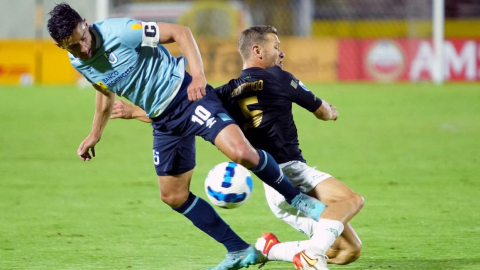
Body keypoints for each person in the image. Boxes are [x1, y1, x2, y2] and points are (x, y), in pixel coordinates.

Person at [47, 4, 327, 270]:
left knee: (241, 153)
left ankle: (298, 199)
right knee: (173, 195)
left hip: (187, 96)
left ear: (86, 24)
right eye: (72, 46)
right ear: (61, 46)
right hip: (163, 121)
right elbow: (104, 90)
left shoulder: (120, 31)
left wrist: (198, 77)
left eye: (82, 39)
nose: (82, 48)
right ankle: (239, 250)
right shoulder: (79, 61)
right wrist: (95, 133)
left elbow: (181, 32)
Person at [112, 25, 364, 270]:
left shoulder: (223, 94)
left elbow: (180, 112)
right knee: (351, 200)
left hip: (272, 188)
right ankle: (313, 253)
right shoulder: (279, 77)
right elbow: (322, 112)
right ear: (258, 51)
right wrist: (332, 112)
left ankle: (269, 249)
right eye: (276, 46)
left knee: (348, 251)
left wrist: (133, 111)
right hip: (291, 172)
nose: (282, 52)